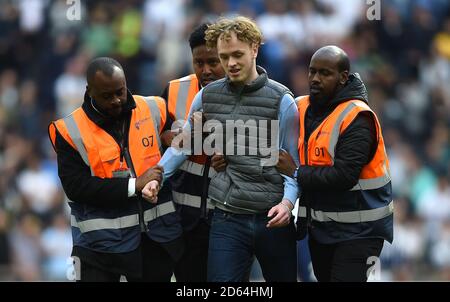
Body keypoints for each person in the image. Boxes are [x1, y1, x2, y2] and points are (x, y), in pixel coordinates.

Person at [144, 16, 299, 282]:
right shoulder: (206, 96)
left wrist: (287, 204)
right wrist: (157, 177)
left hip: (271, 218)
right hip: (227, 218)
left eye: (237, 55)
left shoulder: (283, 102)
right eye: (225, 56)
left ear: (254, 49)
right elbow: (183, 146)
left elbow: (291, 166)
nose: (231, 63)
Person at [48, 57, 183, 282]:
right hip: (98, 248)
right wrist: (134, 185)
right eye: (106, 95)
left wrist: (169, 138)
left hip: (156, 240)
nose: (116, 100)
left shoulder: (154, 107)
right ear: (89, 91)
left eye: (120, 91)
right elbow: (76, 188)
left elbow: (177, 146)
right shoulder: (69, 131)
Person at [276, 45, 393, 282]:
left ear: (343, 78)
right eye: (312, 71)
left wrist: (296, 172)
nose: (315, 79)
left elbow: (344, 176)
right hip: (321, 229)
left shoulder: (358, 117)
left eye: (325, 73)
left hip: (360, 231)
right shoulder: (300, 107)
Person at [159, 23, 226, 282]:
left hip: (226, 218)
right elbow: (157, 140)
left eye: (213, 62)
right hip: (183, 219)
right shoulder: (174, 90)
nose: (205, 70)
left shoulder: (250, 94)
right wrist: (166, 139)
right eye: (199, 62)